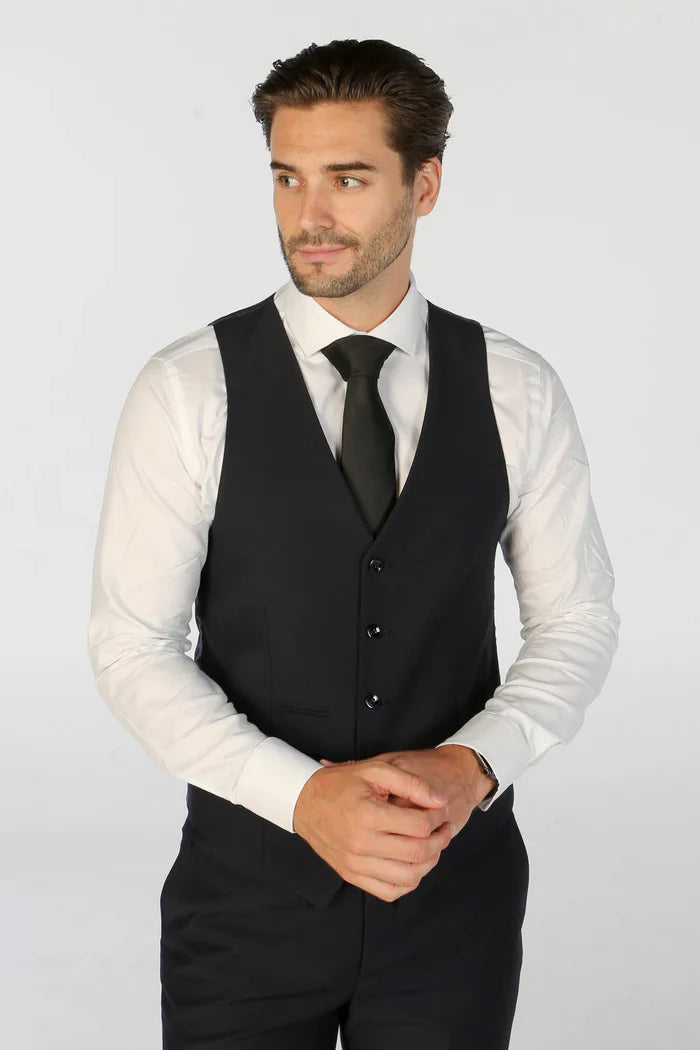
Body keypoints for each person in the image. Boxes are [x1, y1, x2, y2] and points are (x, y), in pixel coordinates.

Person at [87, 37, 621, 1050]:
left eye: (347, 178)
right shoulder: (188, 388)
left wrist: (473, 766)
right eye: (287, 177)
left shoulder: (515, 387)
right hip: (245, 909)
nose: (309, 216)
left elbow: (577, 621)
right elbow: (131, 646)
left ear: (425, 186)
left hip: (452, 903)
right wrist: (302, 798)